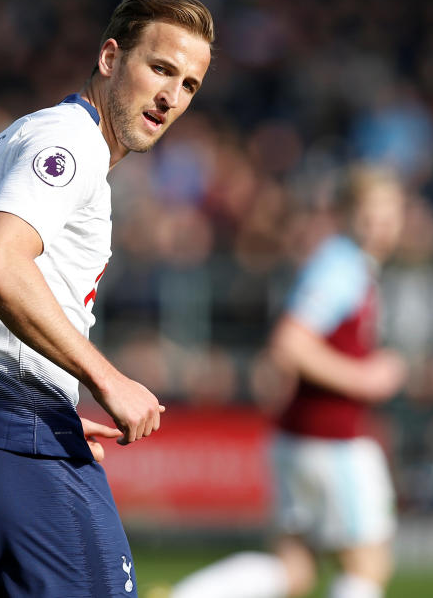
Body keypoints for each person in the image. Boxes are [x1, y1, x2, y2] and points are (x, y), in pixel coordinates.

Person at [0, 0, 214, 597]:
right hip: (12, 444)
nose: (171, 97)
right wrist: (99, 380)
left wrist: (48, 390)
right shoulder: (71, 145)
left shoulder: (11, 140)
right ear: (111, 58)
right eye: (161, 68)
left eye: (190, 85)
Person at [164, 167, 408, 598]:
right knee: (367, 562)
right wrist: (364, 377)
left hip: (297, 436)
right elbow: (290, 343)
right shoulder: (342, 267)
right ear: (346, 214)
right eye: (371, 213)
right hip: (331, 439)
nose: (381, 224)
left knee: (294, 570)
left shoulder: (343, 264)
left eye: (390, 213)